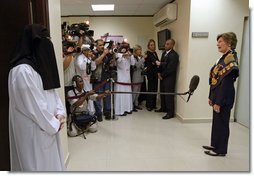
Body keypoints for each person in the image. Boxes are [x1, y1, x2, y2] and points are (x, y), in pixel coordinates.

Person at [8, 24, 66, 171]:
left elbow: (52, 93)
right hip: (35, 132)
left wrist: (60, 114)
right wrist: (54, 123)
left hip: (49, 128)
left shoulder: (40, 67)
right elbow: (34, 107)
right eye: (45, 39)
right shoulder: (22, 71)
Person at [203, 32, 239, 157]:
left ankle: (221, 149)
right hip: (217, 96)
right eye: (217, 41)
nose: (217, 44)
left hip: (224, 98)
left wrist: (218, 101)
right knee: (216, 122)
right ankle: (215, 144)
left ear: (229, 43)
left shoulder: (231, 59)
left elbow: (226, 84)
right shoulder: (222, 58)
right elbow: (214, 79)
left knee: (222, 123)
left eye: (220, 41)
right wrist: (211, 96)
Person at [155, 39, 179, 119]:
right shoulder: (164, 53)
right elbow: (161, 64)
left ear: (172, 45)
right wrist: (159, 73)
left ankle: (170, 112)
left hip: (169, 78)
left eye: (168, 44)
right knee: (162, 93)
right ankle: (163, 108)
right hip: (162, 77)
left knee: (169, 95)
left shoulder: (174, 55)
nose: (165, 45)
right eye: (165, 44)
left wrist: (162, 75)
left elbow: (170, 68)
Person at [92, 39, 115, 121]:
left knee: (107, 95)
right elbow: (95, 63)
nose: (102, 46)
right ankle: (98, 113)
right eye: (100, 45)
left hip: (107, 77)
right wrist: (104, 54)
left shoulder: (106, 53)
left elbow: (111, 64)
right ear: (96, 46)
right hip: (97, 78)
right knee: (98, 96)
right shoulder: (93, 53)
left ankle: (107, 111)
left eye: (103, 45)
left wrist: (112, 55)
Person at [75, 44, 96, 115]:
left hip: (88, 80)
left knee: (90, 95)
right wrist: (87, 60)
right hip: (81, 81)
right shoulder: (80, 58)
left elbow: (93, 68)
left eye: (88, 50)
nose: (87, 52)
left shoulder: (89, 58)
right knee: (84, 96)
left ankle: (91, 113)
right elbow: (82, 67)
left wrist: (92, 59)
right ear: (83, 51)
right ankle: (85, 113)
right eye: (85, 50)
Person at [114, 46, 135, 116]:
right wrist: (123, 54)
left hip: (127, 80)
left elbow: (133, 63)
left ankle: (128, 109)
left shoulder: (128, 57)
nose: (124, 53)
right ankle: (120, 111)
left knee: (127, 95)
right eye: (122, 52)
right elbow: (117, 59)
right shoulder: (118, 56)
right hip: (120, 80)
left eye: (125, 51)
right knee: (121, 95)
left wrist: (131, 55)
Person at [144, 39, 159, 111]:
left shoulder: (155, 53)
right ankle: (149, 105)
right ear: (148, 46)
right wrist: (155, 62)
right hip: (150, 74)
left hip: (155, 73)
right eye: (151, 45)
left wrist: (155, 63)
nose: (152, 46)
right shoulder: (148, 53)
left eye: (153, 45)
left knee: (155, 89)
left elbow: (157, 61)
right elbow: (154, 60)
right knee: (150, 89)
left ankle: (153, 105)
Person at [131, 44, 145, 111]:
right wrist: (142, 59)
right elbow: (137, 66)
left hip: (140, 76)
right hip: (135, 77)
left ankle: (136, 104)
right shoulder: (133, 57)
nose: (140, 51)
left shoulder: (140, 57)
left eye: (140, 49)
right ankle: (132, 105)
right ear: (135, 51)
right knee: (134, 91)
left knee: (138, 92)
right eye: (139, 50)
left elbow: (141, 66)